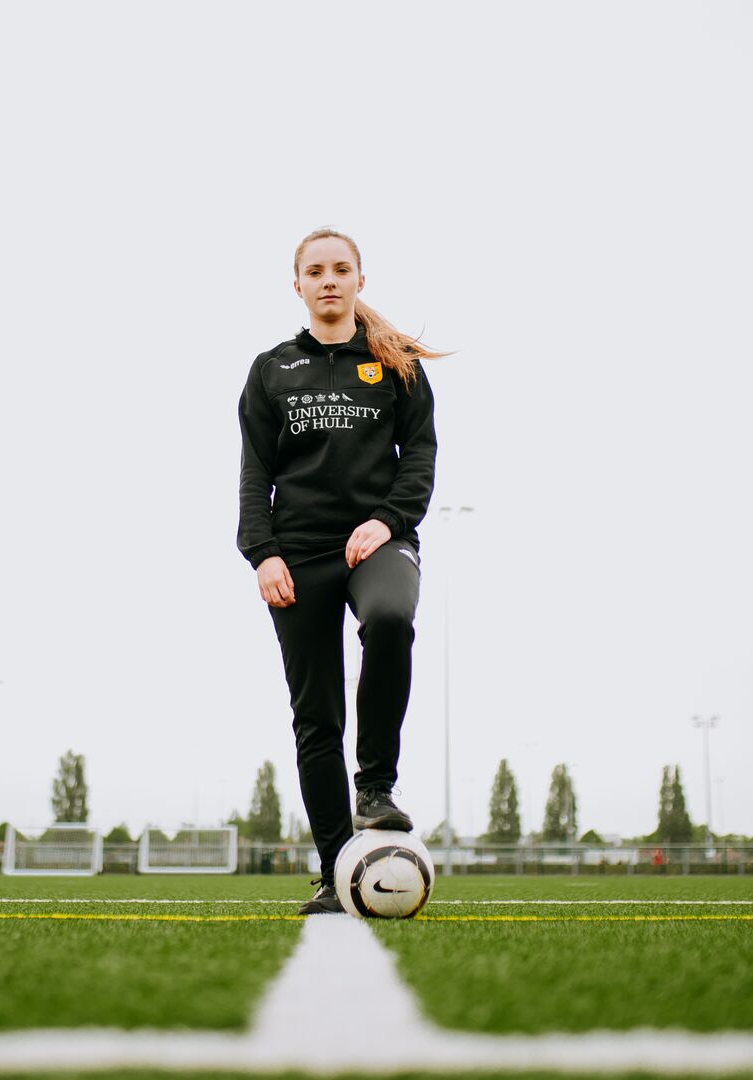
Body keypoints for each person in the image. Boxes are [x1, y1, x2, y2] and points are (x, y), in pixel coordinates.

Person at [237, 227, 448, 915]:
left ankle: (375, 787)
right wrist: (263, 552)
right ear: (296, 285)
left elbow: (420, 457)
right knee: (315, 718)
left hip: (376, 542)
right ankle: (336, 873)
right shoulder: (271, 370)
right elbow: (255, 475)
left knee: (391, 618)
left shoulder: (397, 363)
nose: (329, 280)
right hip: (297, 555)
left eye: (342, 269)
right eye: (315, 271)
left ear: (360, 280)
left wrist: (385, 522)